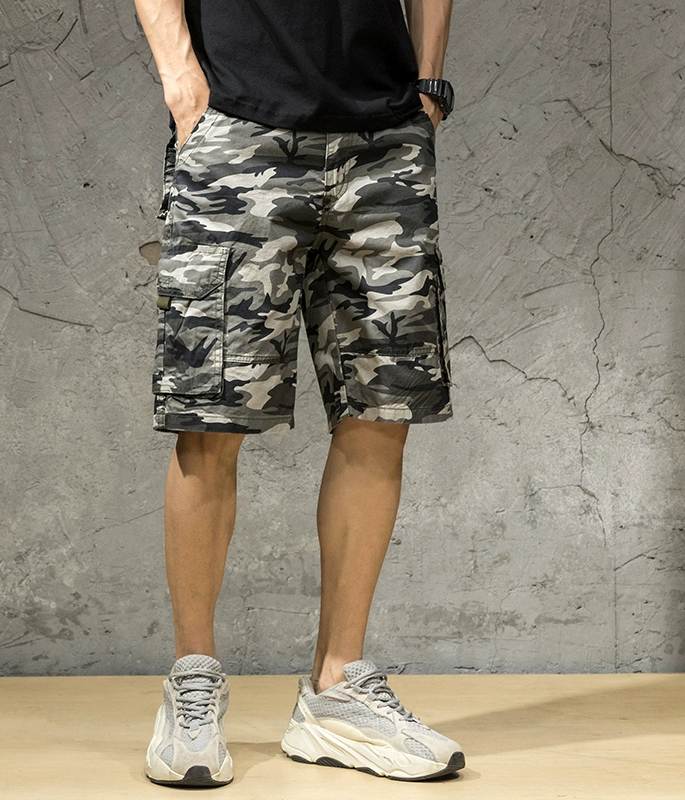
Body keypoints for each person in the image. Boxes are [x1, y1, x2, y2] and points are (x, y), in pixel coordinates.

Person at [133, 0, 462, 787]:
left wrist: (427, 88)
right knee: (211, 418)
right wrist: (181, 81)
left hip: (386, 140)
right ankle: (192, 684)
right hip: (237, 129)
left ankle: (336, 691)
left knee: (380, 412)